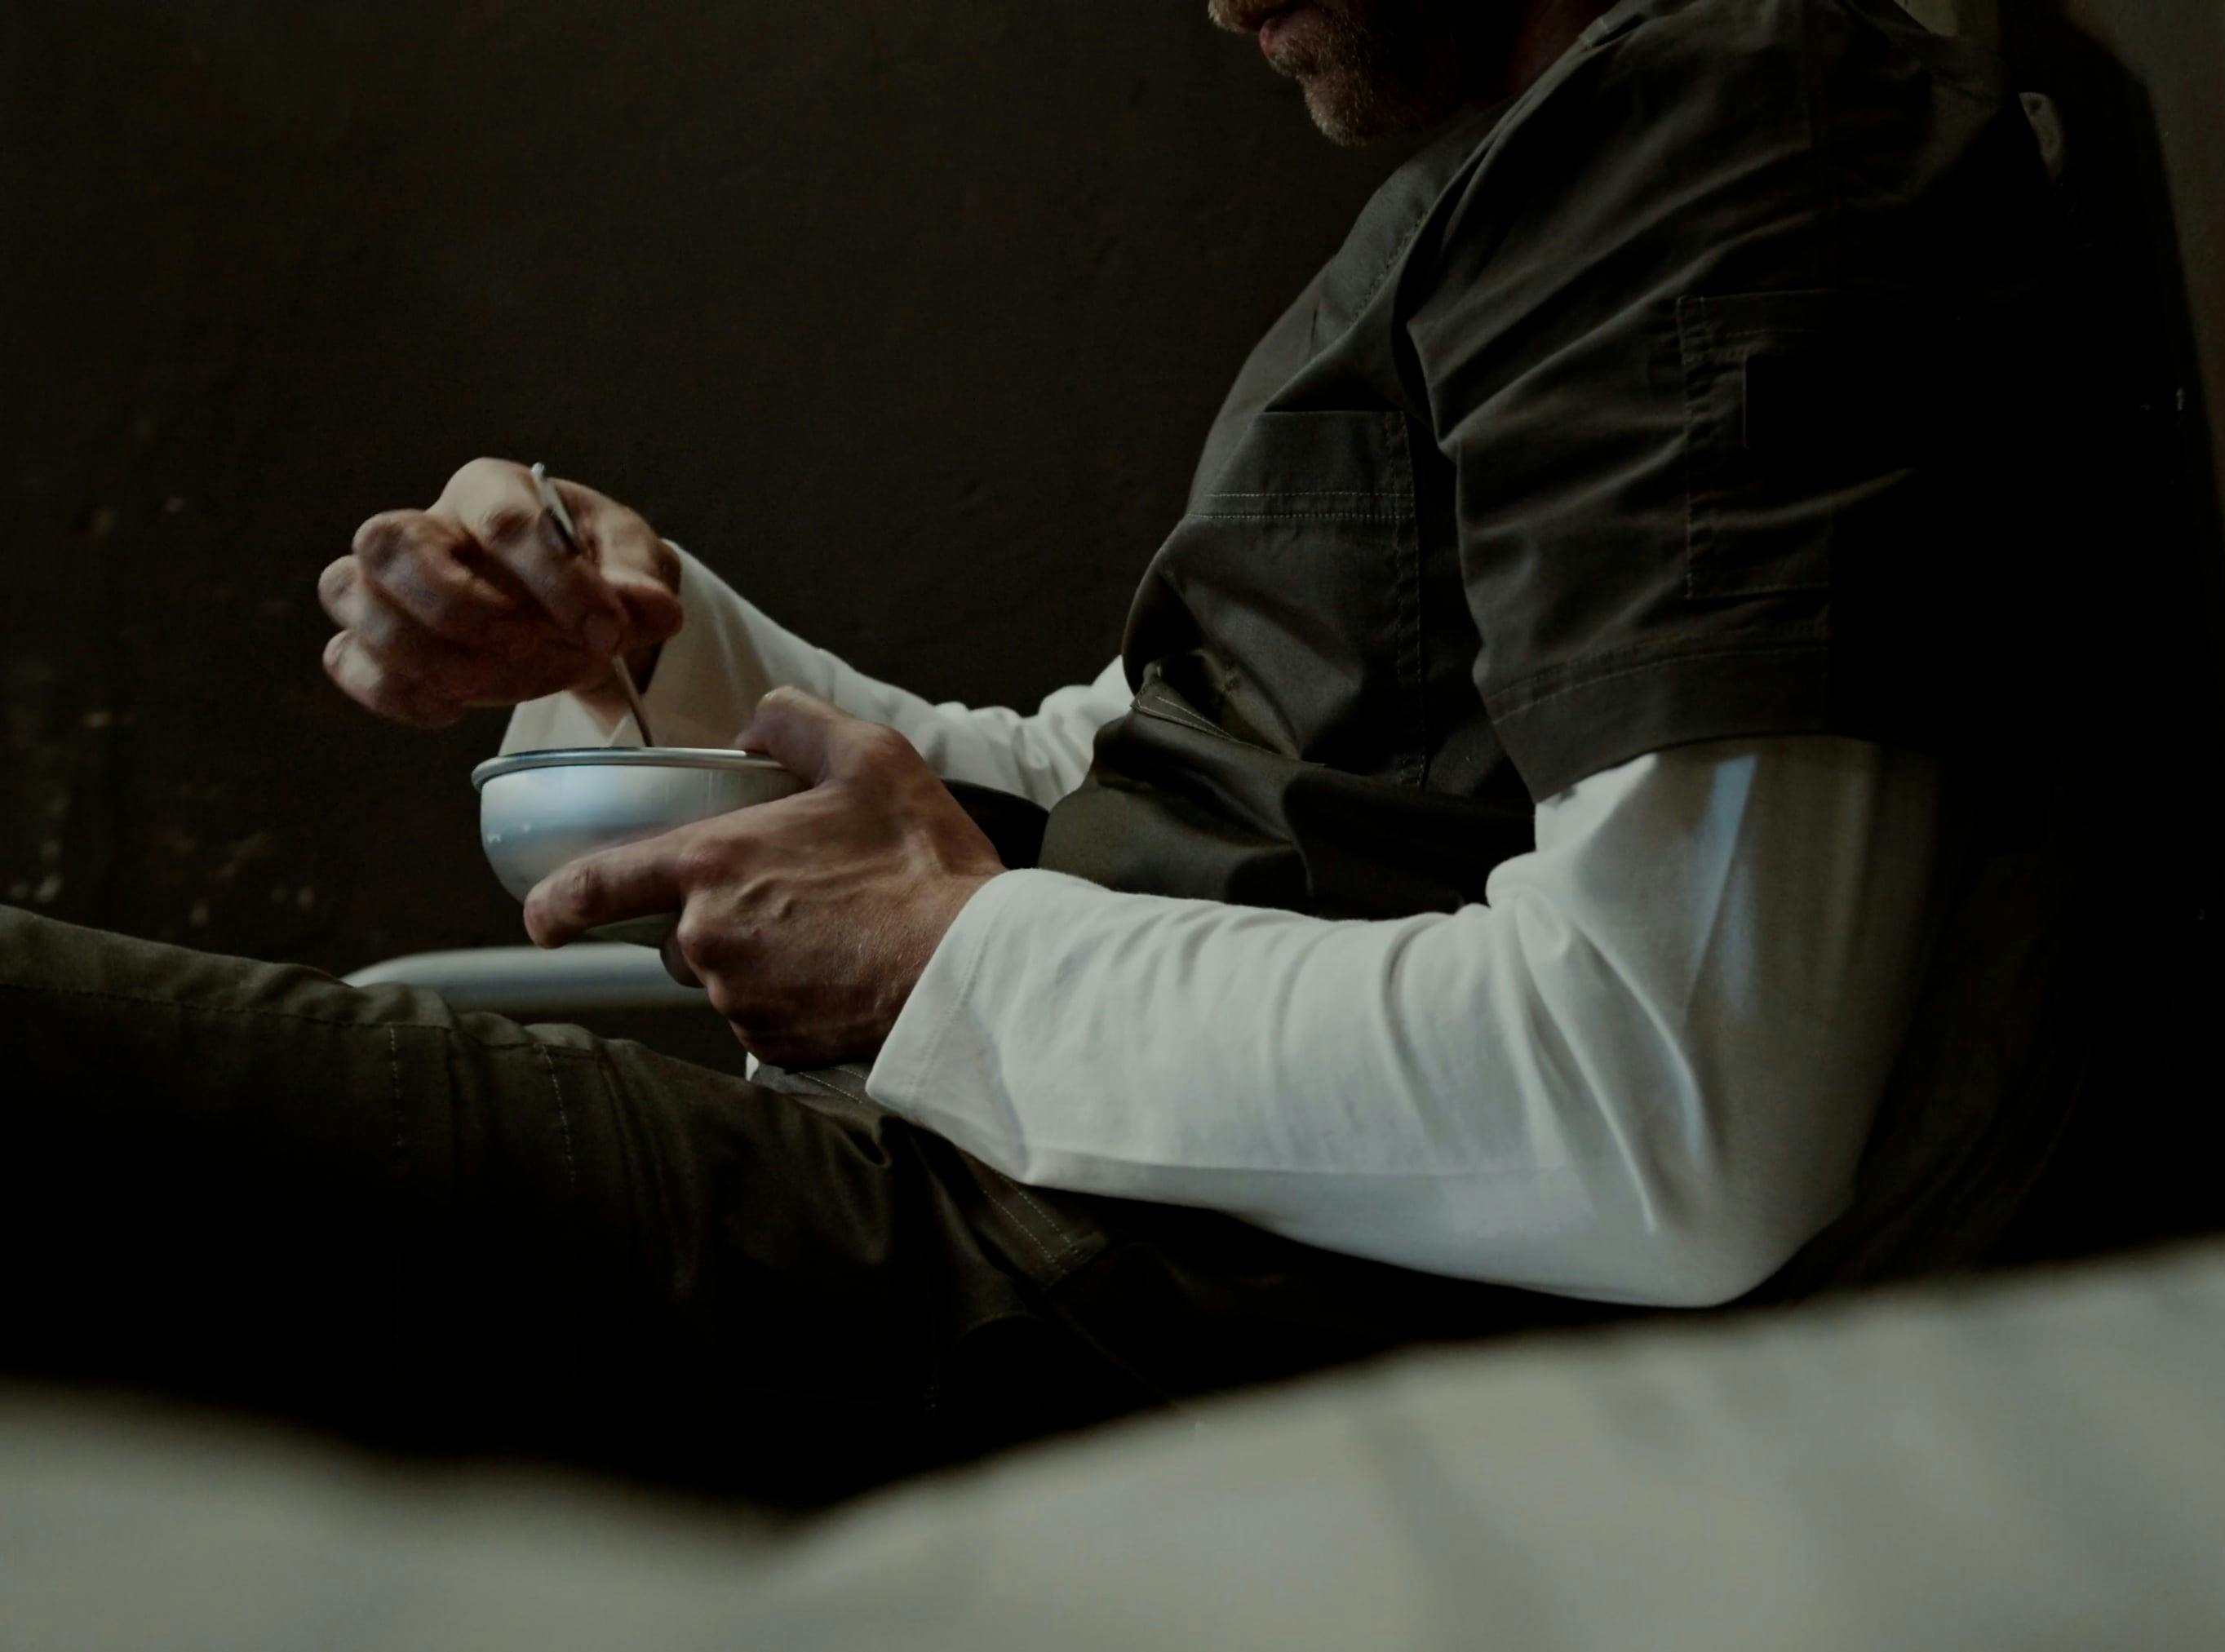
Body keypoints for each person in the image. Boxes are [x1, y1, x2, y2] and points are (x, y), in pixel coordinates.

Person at [2, 0, 2092, 1505]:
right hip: (998, 1221)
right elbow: (1105, 770)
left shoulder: (1710, 132)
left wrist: (945, 955)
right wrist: (642, 640)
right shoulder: (1536, 185)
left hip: (1069, 1312)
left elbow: (1679, 1107)